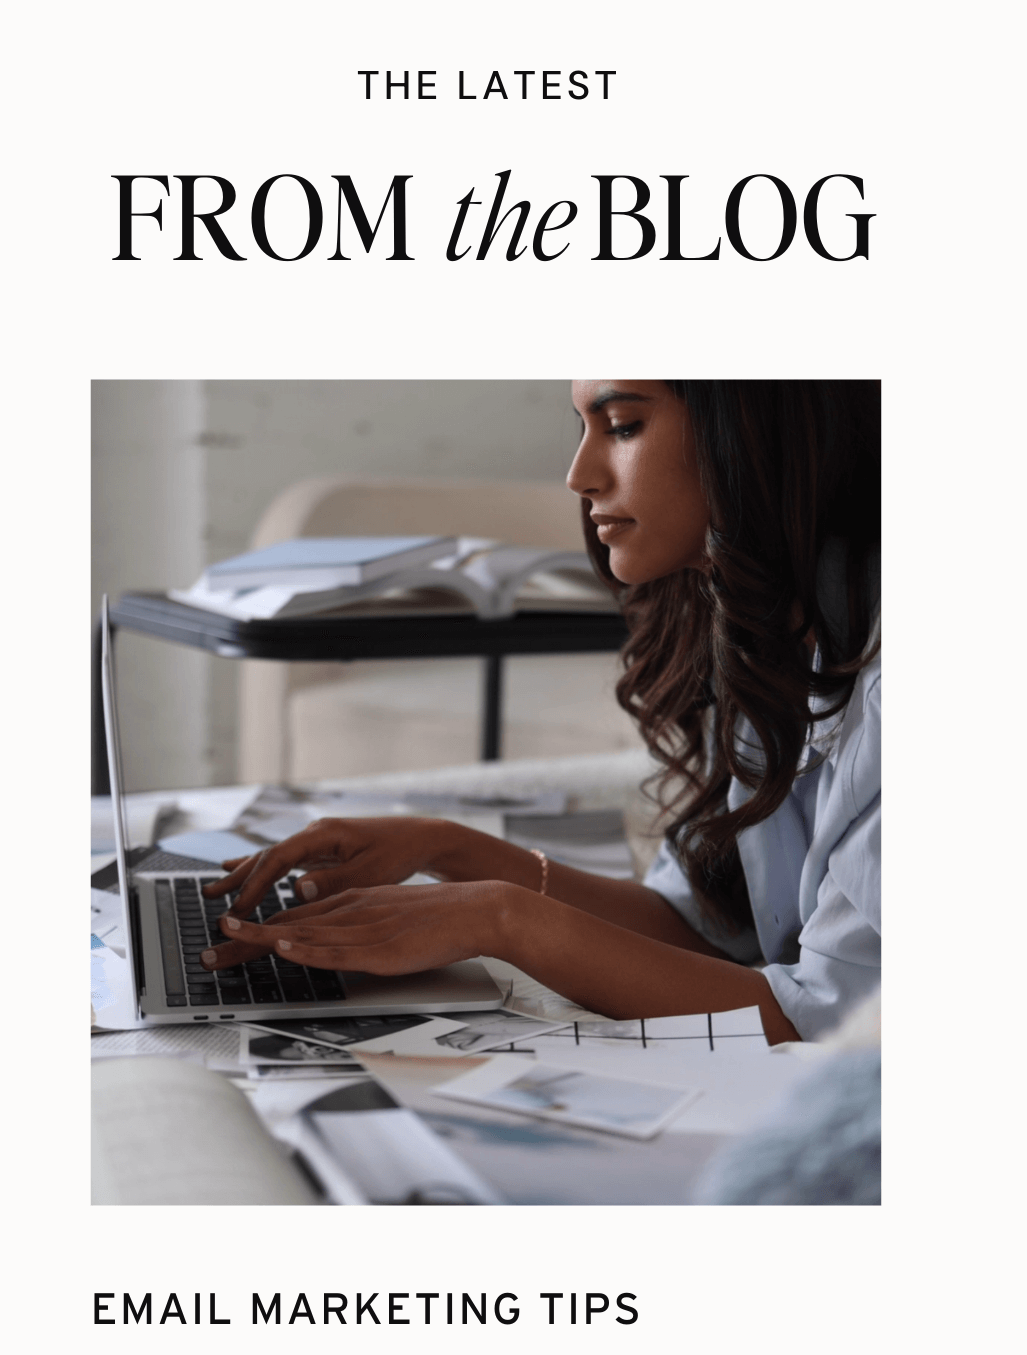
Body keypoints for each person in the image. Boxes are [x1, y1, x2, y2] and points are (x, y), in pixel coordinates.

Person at [201, 381, 880, 1045]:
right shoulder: (768, 639)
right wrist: (446, 846)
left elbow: (822, 1023)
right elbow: (700, 927)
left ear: (757, 432)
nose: (578, 474)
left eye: (621, 426)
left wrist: (501, 919)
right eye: (583, 426)